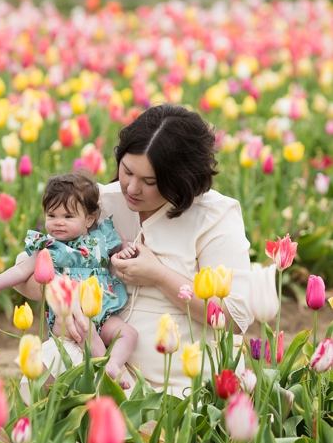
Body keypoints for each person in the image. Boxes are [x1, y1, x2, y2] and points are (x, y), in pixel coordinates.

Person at [13, 104, 254, 394]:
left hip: (179, 380)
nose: (131, 188)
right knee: (40, 369)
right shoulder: (99, 203)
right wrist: (61, 291)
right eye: (127, 171)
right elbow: (26, 268)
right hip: (102, 361)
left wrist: (159, 276)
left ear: (181, 180)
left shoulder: (214, 216)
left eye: (149, 181)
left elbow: (235, 317)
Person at [0, 174, 141, 388]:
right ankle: (106, 368)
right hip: (68, 318)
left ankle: (113, 363)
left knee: (128, 334)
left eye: (68, 216)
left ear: (89, 218)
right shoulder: (49, 248)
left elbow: (119, 246)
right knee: (87, 330)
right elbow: (22, 270)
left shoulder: (101, 239)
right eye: (51, 215)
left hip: (102, 312)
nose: (58, 222)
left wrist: (125, 250)